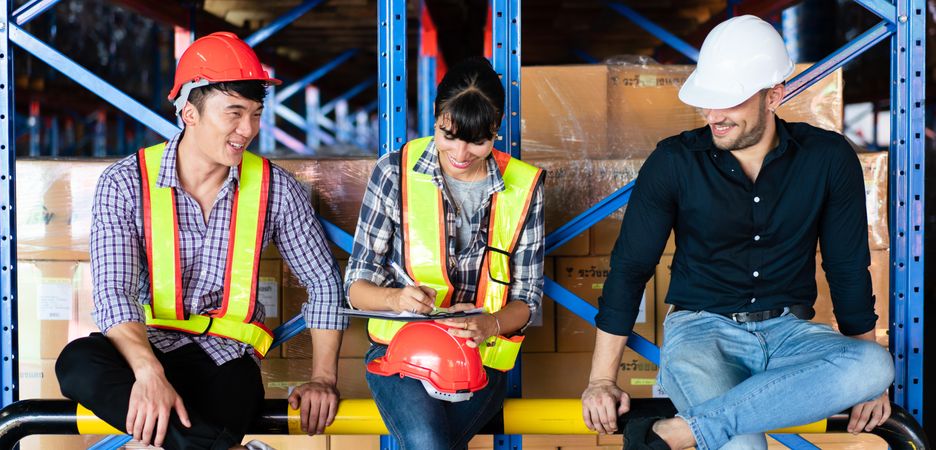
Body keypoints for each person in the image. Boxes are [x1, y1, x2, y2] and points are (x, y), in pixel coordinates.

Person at [580, 15, 894, 450]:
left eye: (728, 101)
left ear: (775, 95)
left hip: (789, 334)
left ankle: (678, 432)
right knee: (743, 446)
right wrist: (600, 379)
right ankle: (708, 427)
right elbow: (630, 269)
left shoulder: (827, 158)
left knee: (875, 366)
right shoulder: (674, 161)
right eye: (707, 101)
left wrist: (867, 387)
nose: (713, 115)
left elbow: (847, 269)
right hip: (700, 334)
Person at [55, 32, 347, 450]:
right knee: (77, 364)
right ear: (189, 113)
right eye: (234, 113)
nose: (248, 129)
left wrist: (322, 377)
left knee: (226, 400)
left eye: (255, 114)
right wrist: (149, 374)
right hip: (146, 344)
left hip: (225, 360)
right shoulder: (125, 183)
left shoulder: (275, 189)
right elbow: (114, 292)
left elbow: (322, 282)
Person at [345, 56, 546, 450]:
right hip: (399, 351)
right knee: (428, 441)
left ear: (496, 128)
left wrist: (489, 324)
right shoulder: (394, 172)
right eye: (448, 134)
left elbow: (528, 300)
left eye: (477, 140)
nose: (461, 152)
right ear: (436, 117)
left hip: (479, 356)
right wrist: (395, 298)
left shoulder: (524, 186)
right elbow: (355, 285)